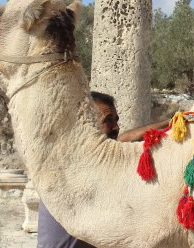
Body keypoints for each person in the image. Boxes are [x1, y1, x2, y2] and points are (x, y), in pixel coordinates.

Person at [38, 91, 170, 248]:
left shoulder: (90, 157)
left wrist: (175, 120)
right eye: (108, 120)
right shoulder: (71, 164)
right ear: (86, 124)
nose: (116, 127)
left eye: (116, 120)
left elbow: (126, 138)